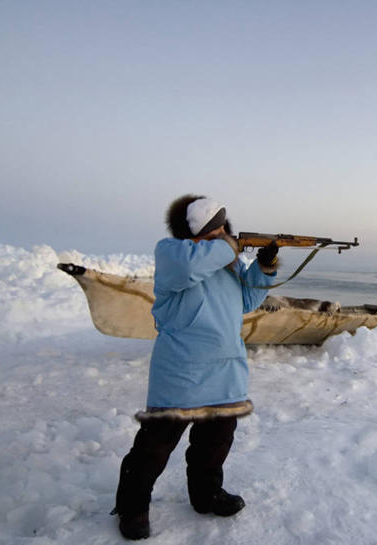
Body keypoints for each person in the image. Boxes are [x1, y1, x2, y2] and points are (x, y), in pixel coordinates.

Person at [113, 194, 279, 540]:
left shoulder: (227, 262)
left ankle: (207, 495)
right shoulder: (173, 254)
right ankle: (132, 507)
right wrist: (231, 245)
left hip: (225, 370)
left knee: (215, 445)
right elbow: (193, 267)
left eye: (222, 227)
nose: (218, 234)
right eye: (210, 229)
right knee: (155, 448)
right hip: (181, 370)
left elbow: (246, 301)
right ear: (190, 233)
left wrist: (263, 267)